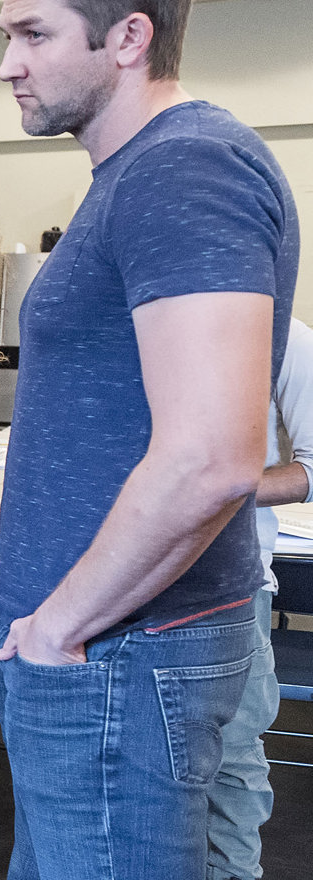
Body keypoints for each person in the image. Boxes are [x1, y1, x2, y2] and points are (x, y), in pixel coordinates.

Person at [0, 0, 298, 879]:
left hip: (115, 653)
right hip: (90, 651)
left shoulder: (185, 165)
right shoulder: (129, 175)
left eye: (33, 33)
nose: (7, 63)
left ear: (129, 37)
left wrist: (60, 624)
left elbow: (211, 458)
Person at [212, 316, 313, 880]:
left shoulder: (287, 339)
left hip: (232, 584)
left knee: (230, 762)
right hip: (128, 582)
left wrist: (212, 484)